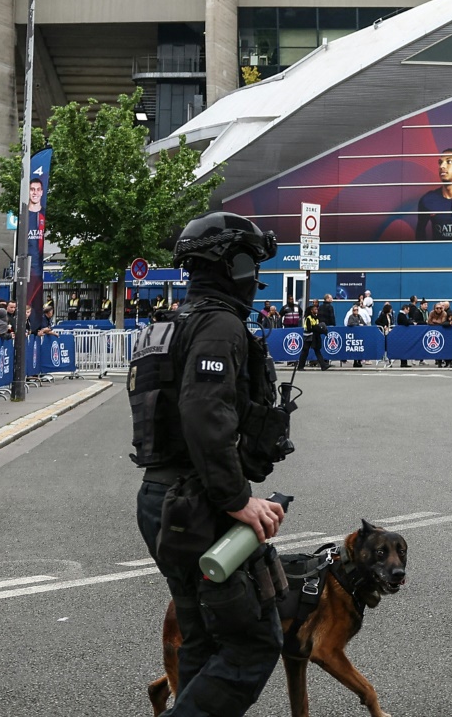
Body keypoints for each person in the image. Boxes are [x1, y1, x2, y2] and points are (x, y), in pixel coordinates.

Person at [130, 211, 291, 714]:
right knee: (252, 643)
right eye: (251, 264)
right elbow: (203, 413)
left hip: (162, 499)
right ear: (233, 264)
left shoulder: (171, 324)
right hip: (199, 505)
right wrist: (236, 498)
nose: (257, 278)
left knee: (201, 638)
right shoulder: (220, 325)